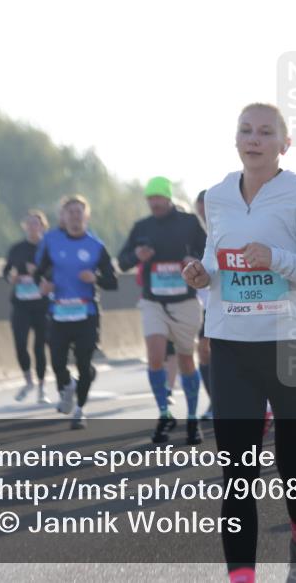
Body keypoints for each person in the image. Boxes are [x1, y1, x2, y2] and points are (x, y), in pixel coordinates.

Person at [181, 103, 296, 582]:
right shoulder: (218, 195)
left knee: (293, 468)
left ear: (284, 145)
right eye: (245, 131)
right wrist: (201, 274)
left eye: (265, 132)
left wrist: (276, 259)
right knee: (236, 477)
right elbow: (215, 258)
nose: (254, 139)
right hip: (231, 346)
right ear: (236, 140)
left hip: (292, 346)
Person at [118, 176, 207, 444]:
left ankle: (192, 419)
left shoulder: (190, 223)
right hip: (153, 301)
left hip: (186, 302)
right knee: (155, 356)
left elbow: (211, 254)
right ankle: (164, 412)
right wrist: (137, 257)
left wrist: (197, 260)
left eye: (158, 198)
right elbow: (122, 261)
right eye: (150, 199)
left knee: (186, 360)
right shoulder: (141, 227)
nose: (154, 203)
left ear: (168, 198)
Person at [34, 195, 118, 429]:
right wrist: (44, 284)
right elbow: (38, 273)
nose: (74, 216)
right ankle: (67, 385)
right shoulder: (51, 242)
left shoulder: (96, 246)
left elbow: (112, 281)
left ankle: (80, 409)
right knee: (58, 363)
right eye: (70, 212)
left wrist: (96, 278)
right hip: (59, 313)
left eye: (79, 212)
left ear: (86, 216)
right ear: (62, 217)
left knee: (83, 363)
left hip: (87, 314)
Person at [2, 210, 50, 404]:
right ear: (25, 226)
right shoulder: (17, 249)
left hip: (42, 304)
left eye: (36, 223)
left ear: (42, 227)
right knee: (20, 343)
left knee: (39, 347)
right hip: (21, 303)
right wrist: (11, 277)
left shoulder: (47, 248)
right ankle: (28, 381)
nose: (32, 227)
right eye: (29, 223)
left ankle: (41, 388)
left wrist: (38, 272)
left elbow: (56, 271)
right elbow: (6, 270)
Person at [194, 189, 215, 420]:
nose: (203, 217)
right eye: (200, 212)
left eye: (206, 212)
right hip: (205, 304)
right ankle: (215, 402)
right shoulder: (192, 233)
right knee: (204, 352)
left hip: (232, 301)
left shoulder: (227, 228)